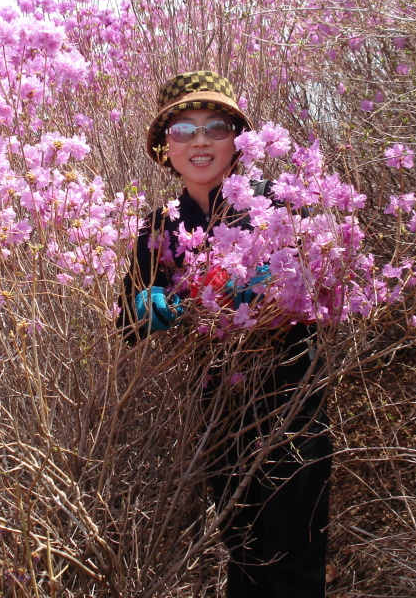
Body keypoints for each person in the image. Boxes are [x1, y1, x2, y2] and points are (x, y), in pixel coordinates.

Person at [119, 70, 332, 598]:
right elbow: (125, 319)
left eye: (215, 126)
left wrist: (275, 285)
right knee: (244, 558)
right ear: (164, 148)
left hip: (290, 405)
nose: (200, 141)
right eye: (182, 130)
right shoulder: (160, 227)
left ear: (238, 138)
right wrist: (149, 306)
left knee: (292, 560)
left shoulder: (279, 206)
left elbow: (326, 287)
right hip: (218, 411)